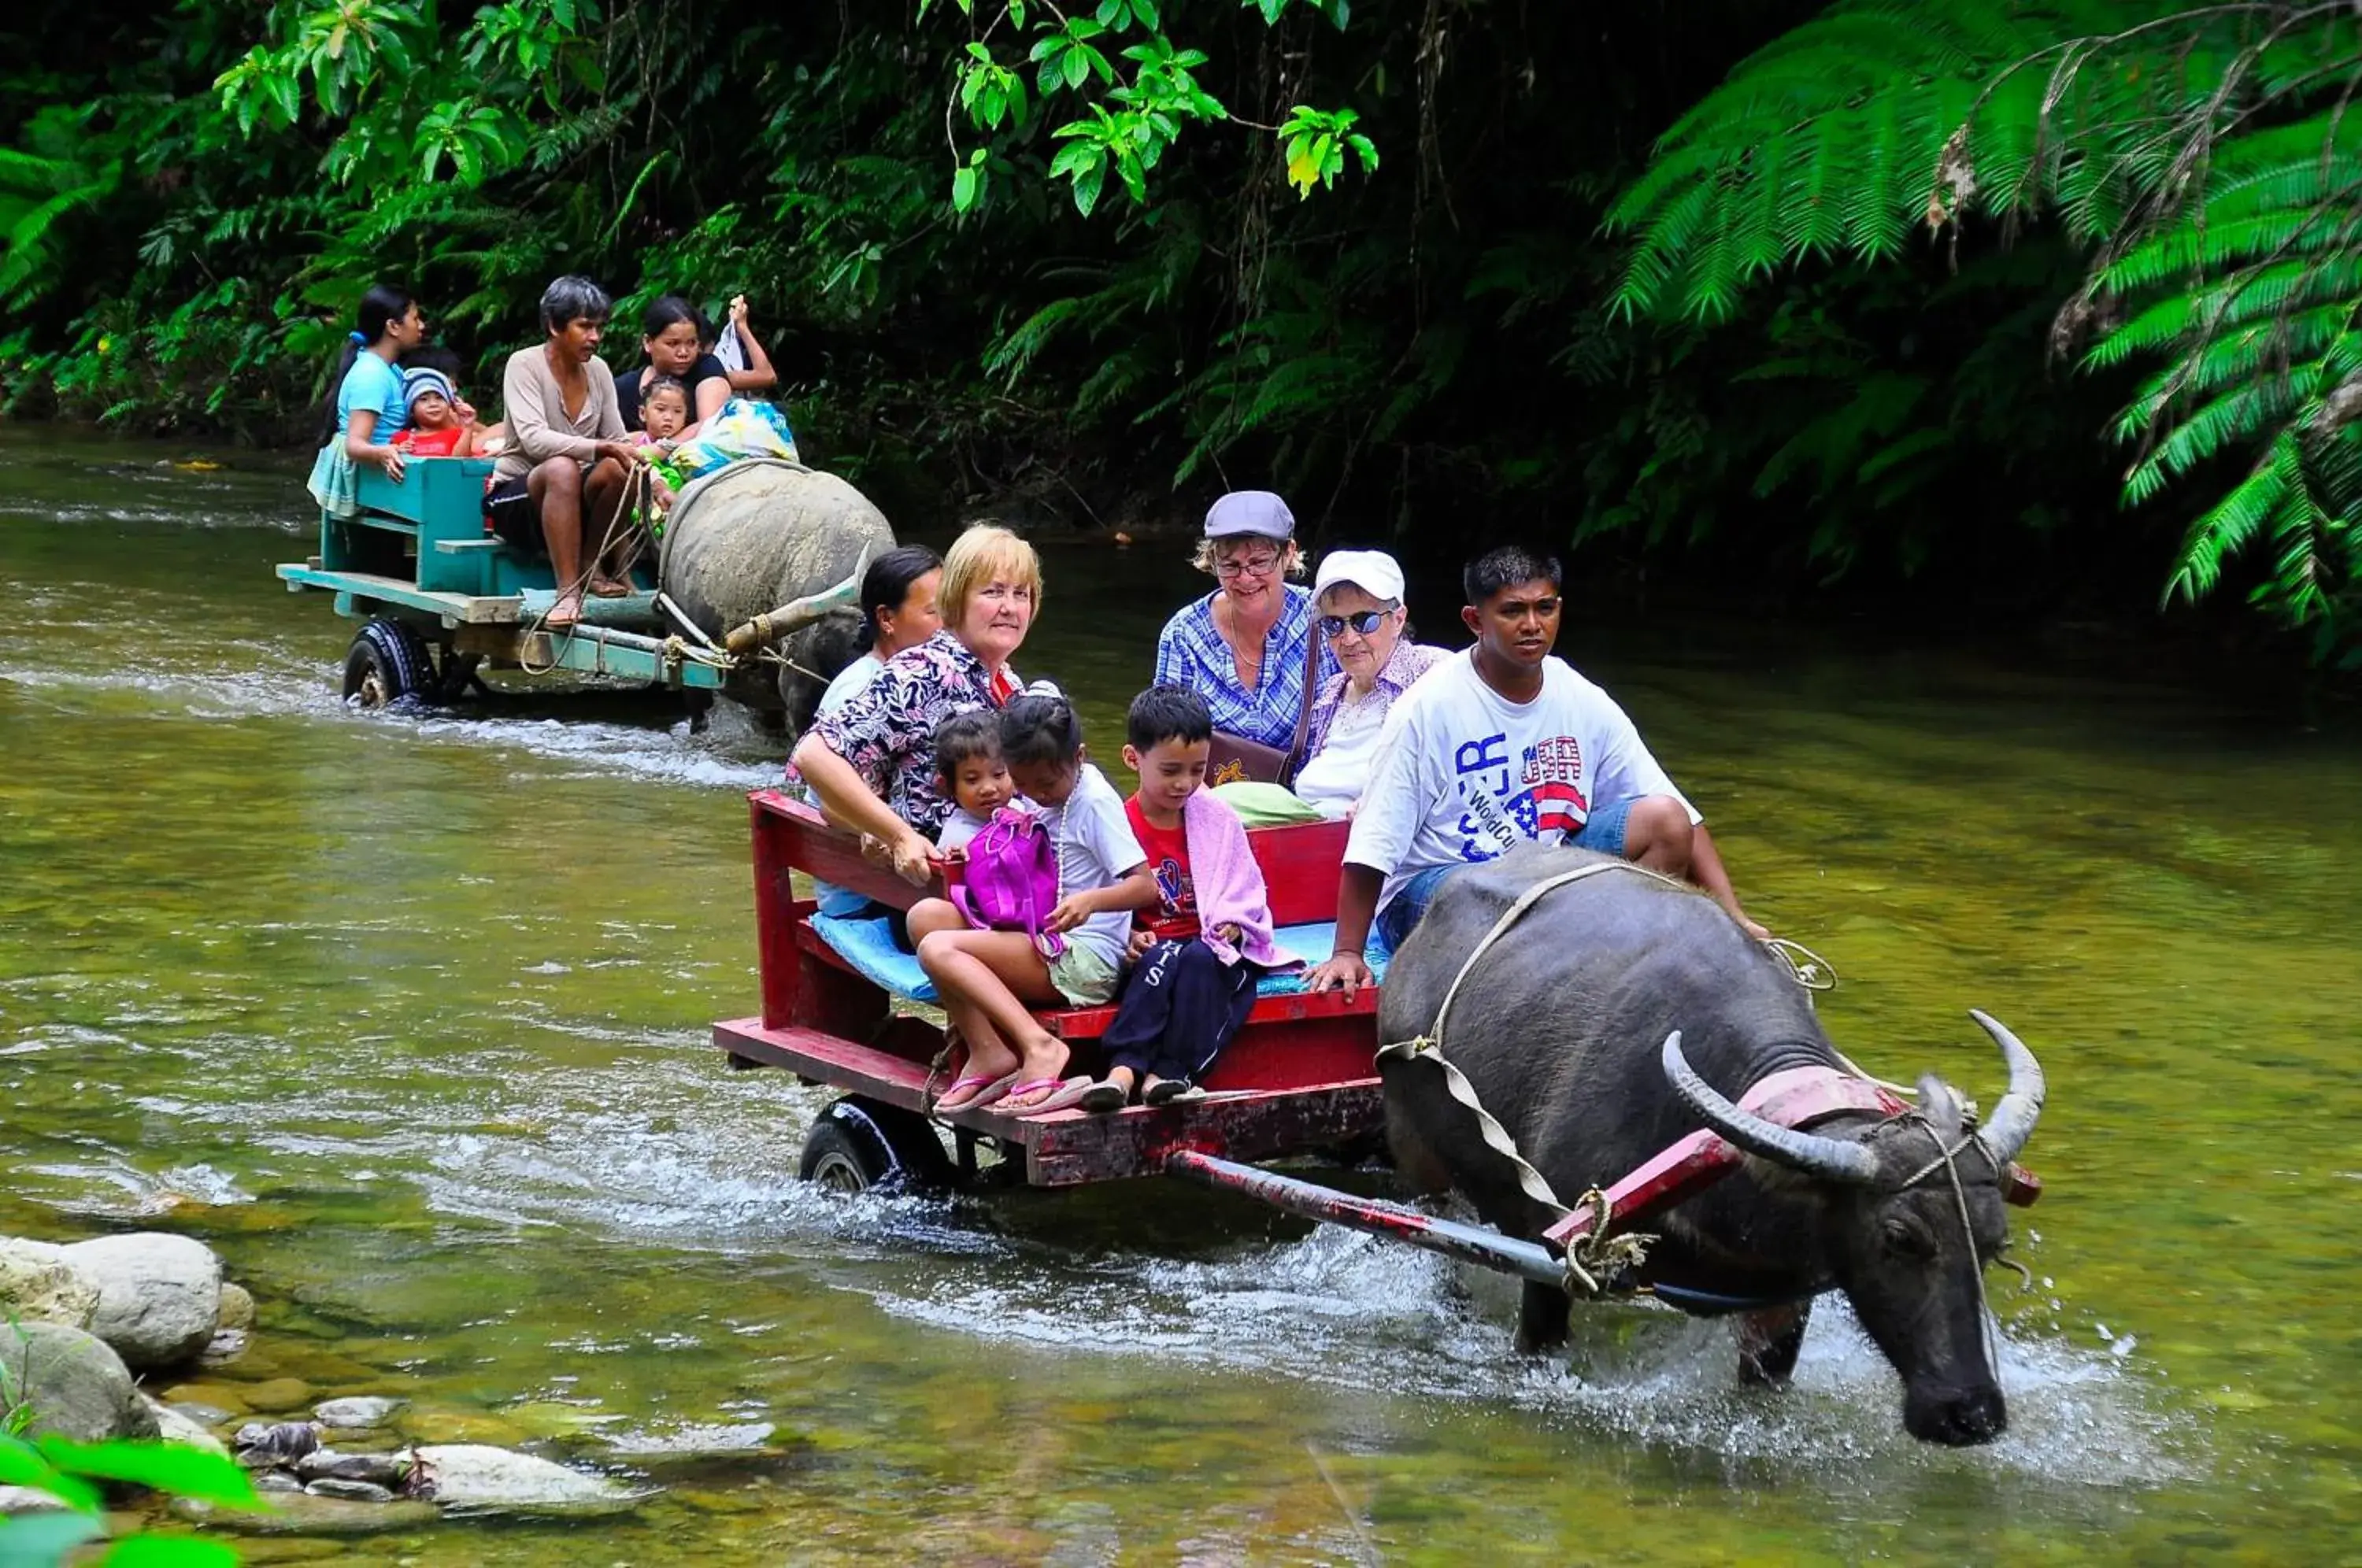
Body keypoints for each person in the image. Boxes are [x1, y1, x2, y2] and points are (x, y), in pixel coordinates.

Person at [1305, 545, 1764, 999]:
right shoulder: (1426, 709)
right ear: (1475, 621)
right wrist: (1348, 950)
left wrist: (1734, 919)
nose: (1531, 625)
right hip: (1441, 889)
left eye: (1544, 608)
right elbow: (1374, 842)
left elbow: (1677, 810)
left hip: (1543, 878)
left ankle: (1601, 964)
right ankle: (1577, 958)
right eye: (1512, 612)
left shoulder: (1579, 696)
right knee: (1487, 888)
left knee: (1664, 821)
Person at [906, 695, 1157, 1114]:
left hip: (1083, 958)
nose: (1036, 796)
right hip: (1042, 931)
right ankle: (986, 1050)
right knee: (924, 919)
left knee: (938, 949)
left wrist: (1091, 902)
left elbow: (1145, 887)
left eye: (1047, 785)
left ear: (1078, 757)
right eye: (1023, 787)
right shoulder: (1044, 796)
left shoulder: (1093, 800)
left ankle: (1039, 1047)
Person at [1079, 686, 1294, 1113]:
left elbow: (1244, 886)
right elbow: (1105, 898)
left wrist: (1234, 920)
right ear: (1132, 759)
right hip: (1156, 949)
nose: (1186, 783)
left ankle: (1170, 1071)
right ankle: (1123, 1069)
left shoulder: (1216, 816)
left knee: (1196, 961)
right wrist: (1129, 938)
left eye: (1198, 770)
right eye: (1171, 770)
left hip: (1208, 945)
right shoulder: (1117, 825)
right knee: (1160, 960)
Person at [790, 523, 1040, 881]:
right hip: (931, 890)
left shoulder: (1009, 683)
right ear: (955, 600)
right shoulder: (923, 671)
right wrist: (900, 835)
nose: (1009, 607)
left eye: (1021, 594)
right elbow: (813, 754)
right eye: (993, 592)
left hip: (1000, 874)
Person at [1216, 547, 1449, 825]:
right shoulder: (1333, 690)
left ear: (1398, 620)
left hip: (1377, 836)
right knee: (1218, 802)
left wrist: (1392, 801)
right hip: (1311, 821)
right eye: (1334, 624)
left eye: (1365, 621)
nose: (1349, 638)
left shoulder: (1432, 670)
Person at [485, 276, 649, 630]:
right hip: (519, 497)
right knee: (561, 468)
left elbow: (617, 440)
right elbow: (533, 440)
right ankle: (568, 592)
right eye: (585, 327)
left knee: (620, 469)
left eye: (599, 328)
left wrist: (657, 484)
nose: (595, 337)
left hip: (577, 500)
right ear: (554, 326)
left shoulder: (600, 370)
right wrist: (599, 447)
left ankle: (592, 565)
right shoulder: (523, 364)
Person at [1152, 490, 1336, 753]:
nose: (1246, 578)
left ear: (1288, 554)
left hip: (1309, 791)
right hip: (1208, 791)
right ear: (1213, 562)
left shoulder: (1325, 621)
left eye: (1260, 563)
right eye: (1230, 565)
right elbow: (1166, 745)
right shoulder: (1183, 635)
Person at [305, 283, 424, 517]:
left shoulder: (389, 370)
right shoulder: (372, 375)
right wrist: (386, 453)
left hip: (383, 481)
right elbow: (355, 445)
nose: (421, 326)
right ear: (393, 327)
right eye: (415, 318)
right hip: (374, 486)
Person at [815, 545, 946, 719]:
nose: (950, 622)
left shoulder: (932, 674)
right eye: (934, 611)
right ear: (886, 619)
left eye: (951, 608)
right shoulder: (858, 693)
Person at [614, 295, 731, 435]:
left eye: (691, 343)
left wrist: (654, 451)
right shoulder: (622, 388)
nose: (683, 352)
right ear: (648, 342)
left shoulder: (707, 368)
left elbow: (709, 430)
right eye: (673, 344)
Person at [930, 711, 1016, 856]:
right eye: (972, 780)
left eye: (998, 774)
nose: (988, 789)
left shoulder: (1023, 808)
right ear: (951, 786)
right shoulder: (958, 841)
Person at [390, 365, 498, 458]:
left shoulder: (458, 435)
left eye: (439, 398)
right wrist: (399, 451)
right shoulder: (401, 437)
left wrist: (468, 427)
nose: (433, 404)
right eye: (424, 399)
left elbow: (458, 463)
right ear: (411, 410)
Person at [707, 294, 779, 394]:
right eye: (676, 343)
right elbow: (768, 376)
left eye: (690, 343)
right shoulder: (704, 375)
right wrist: (741, 326)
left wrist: (741, 326)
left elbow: (768, 377)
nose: (683, 352)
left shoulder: (707, 373)